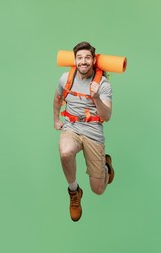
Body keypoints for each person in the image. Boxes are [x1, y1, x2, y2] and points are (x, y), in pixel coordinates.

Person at [53, 41, 115, 222]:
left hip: (93, 131)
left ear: (93, 60)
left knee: (98, 190)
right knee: (65, 153)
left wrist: (95, 97)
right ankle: (74, 191)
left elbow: (107, 115)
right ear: (75, 60)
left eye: (87, 57)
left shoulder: (103, 84)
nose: (83, 61)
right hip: (71, 127)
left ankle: (105, 165)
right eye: (80, 57)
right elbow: (57, 99)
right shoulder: (65, 78)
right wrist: (56, 119)